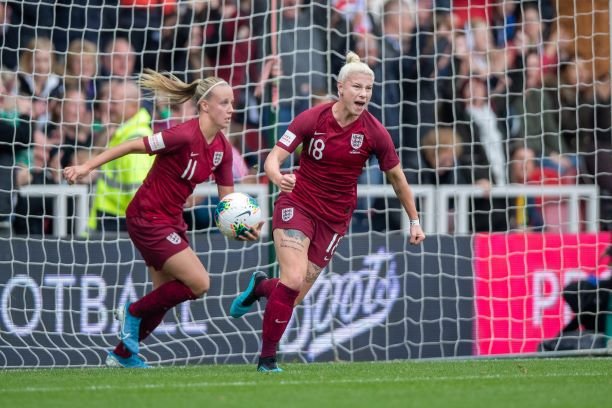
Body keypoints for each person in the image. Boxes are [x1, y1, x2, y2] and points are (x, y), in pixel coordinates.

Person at [230, 52, 426, 372]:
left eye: (369, 89)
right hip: (299, 203)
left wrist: (415, 220)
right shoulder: (313, 118)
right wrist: (277, 176)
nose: (363, 95)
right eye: (357, 88)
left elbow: (397, 178)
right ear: (341, 88)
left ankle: (261, 287)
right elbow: (273, 158)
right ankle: (267, 361)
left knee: (290, 297)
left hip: (334, 220)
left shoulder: (375, 132)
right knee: (292, 278)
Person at [64, 69, 263, 368]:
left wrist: (242, 226)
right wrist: (86, 167)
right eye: (224, 103)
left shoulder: (222, 149)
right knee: (199, 283)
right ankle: (131, 311)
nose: (231, 109)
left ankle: (122, 355)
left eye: (232, 103)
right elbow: (133, 145)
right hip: (146, 216)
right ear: (204, 105)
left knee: (162, 296)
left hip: (171, 220)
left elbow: (228, 203)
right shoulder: (183, 134)